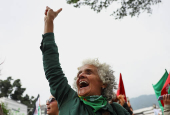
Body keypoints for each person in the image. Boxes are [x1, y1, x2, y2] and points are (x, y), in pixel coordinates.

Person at [41, 6, 130, 115]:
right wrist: (48, 22)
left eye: (88, 72)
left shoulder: (116, 110)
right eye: (79, 73)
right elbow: (53, 69)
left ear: (103, 83)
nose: (80, 76)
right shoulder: (69, 100)